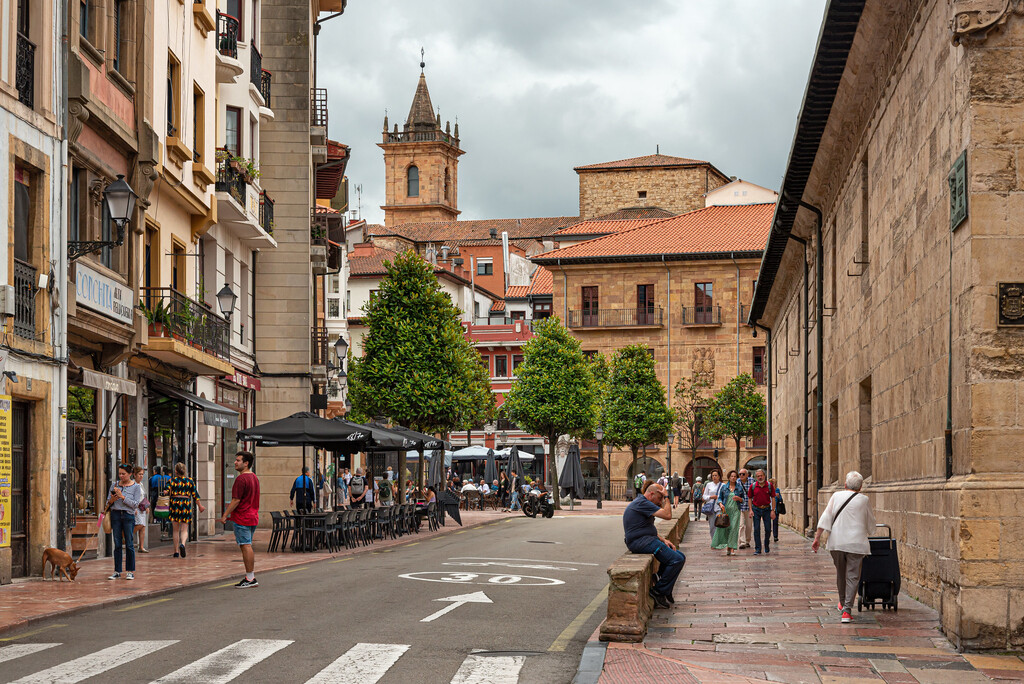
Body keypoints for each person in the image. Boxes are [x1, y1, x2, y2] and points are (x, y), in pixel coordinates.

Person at [812, 471, 876, 624]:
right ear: (860, 487)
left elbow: (826, 516)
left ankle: (842, 603)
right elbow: (871, 522)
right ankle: (847, 611)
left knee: (841, 574)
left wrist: (817, 537)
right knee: (853, 576)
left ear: (845, 485)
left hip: (837, 542)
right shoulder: (864, 499)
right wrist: (870, 530)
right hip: (856, 543)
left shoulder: (836, 496)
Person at [622, 483, 684, 608]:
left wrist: (662, 540)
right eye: (659, 498)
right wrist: (667, 497)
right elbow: (667, 515)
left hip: (647, 539)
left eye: (662, 498)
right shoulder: (642, 503)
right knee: (676, 560)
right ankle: (658, 591)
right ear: (651, 494)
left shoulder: (643, 502)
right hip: (640, 542)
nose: (660, 501)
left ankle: (665, 588)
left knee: (679, 555)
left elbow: (646, 528)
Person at [220, 451, 260, 588]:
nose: (235, 462)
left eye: (238, 460)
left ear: (246, 463)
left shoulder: (241, 479)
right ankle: (249, 576)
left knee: (246, 545)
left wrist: (225, 515)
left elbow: (236, 500)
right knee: (247, 545)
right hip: (253, 516)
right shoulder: (254, 477)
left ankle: (250, 578)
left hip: (242, 517)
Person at [106, 463, 143, 580]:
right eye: (120, 474)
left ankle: (130, 571)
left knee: (129, 543)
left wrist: (122, 497)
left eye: (124, 474)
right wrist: (112, 499)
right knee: (117, 544)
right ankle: (117, 570)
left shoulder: (136, 487)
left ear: (130, 474)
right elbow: (108, 502)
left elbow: (135, 505)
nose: (121, 476)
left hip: (128, 516)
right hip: (116, 515)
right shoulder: (114, 485)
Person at [167, 462, 205, 558]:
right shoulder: (189, 481)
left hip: (175, 505)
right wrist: (200, 506)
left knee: (175, 530)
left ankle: (176, 552)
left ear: (176, 471)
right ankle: (183, 544)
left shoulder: (172, 481)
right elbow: (195, 496)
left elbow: (166, 491)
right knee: (184, 529)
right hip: (185, 505)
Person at [712, 470, 743, 555]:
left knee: (733, 529)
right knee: (726, 529)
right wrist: (721, 504)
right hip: (726, 511)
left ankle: (732, 548)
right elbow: (719, 498)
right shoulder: (724, 487)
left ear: (736, 478)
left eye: (735, 476)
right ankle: (728, 547)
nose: (733, 478)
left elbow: (743, 500)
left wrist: (739, 499)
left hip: (736, 510)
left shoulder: (739, 487)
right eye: (732, 476)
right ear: (729, 477)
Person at [748, 469, 776, 555]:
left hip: (767, 509)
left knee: (768, 529)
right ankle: (758, 549)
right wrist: (750, 510)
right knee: (756, 529)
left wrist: (773, 510)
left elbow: (773, 498)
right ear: (756, 477)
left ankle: (766, 545)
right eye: (758, 476)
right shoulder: (753, 486)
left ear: (764, 476)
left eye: (761, 476)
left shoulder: (769, 486)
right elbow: (749, 498)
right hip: (756, 509)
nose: (760, 477)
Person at [132, 466, 149, 553]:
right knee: (140, 525)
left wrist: (146, 506)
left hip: (142, 508)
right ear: (135, 475)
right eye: (139, 474)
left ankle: (141, 547)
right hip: (136, 508)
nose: (141, 476)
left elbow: (143, 496)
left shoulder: (141, 485)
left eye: (142, 474)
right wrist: (133, 508)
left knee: (143, 527)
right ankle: (128, 535)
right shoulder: (133, 484)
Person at [701, 471, 722, 536]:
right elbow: (704, 496)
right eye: (713, 475)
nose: (714, 477)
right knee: (712, 526)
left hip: (719, 508)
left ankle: (718, 542)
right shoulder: (708, 485)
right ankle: (714, 542)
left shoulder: (723, 485)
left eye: (716, 475)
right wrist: (710, 497)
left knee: (719, 526)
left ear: (719, 476)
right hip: (711, 508)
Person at [736, 468, 752, 549]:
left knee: (749, 526)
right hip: (740, 507)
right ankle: (742, 542)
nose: (741, 475)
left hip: (749, 507)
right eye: (740, 474)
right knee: (741, 525)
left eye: (743, 474)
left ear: (747, 475)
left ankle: (747, 541)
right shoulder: (737, 482)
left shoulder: (752, 481)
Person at [770, 478, 783, 542]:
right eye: (773, 483)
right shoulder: (768, 490)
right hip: (768, 508)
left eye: (775, 483)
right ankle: (768, 535)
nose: (774, 485)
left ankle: (775, 536)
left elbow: (780, 499)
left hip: (775, 509)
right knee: (768, 524)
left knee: (775, 523)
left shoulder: (777, 490)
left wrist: (779, 497)